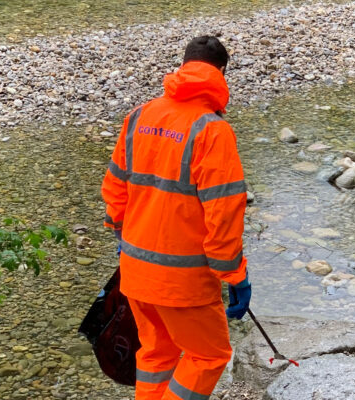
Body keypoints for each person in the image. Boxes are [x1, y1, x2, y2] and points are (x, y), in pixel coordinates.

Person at [101, 35, 251, 400]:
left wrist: (121, 235)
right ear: (221, 73)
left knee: (156, 353)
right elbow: (224, 211)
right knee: (209, 356)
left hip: (135, 271)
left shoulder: (140, 116)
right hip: (183, 283)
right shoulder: (212, 130)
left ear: (182, 66)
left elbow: (115, 188)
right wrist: (234, 274)